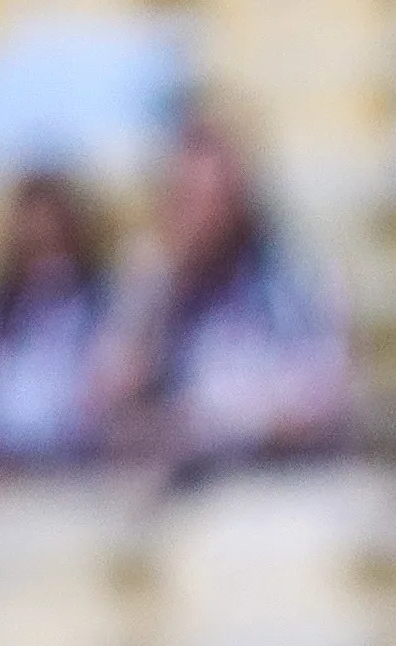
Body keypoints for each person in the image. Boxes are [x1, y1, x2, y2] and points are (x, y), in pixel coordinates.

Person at [88, 117, 353, 469]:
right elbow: (107, 399)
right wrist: (154, 300)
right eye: (185, 200)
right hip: (179, 478)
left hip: (275, 476)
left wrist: (215, 421)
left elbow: (321, 400)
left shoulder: (294, 278)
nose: (200, 216)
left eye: (211, 199)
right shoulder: (153, 283)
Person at [0, 170, 110, 466]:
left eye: (54, 241)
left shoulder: (100, 310)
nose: (45, 257)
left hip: (75, 469)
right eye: (35, 244)